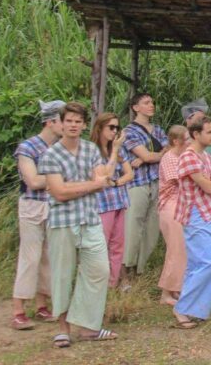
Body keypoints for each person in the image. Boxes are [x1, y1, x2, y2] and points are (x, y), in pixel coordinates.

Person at [38, 102, 118, 347]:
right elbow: (59, 192)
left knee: (99, 271)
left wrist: (81, 185)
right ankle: (62, 327)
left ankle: (88, 326)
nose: (73, 125)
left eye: (77, 121)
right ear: (61, 123)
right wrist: (91, 185)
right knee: (62, 275)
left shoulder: (91, 149)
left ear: (84, 125)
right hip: (63, 222)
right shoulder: (51, 154)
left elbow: (101, 177)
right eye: (69, 121)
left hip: (89, 219)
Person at [10, 100, 64, 330]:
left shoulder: (62, 148)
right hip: (32, 205)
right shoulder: (28, 147)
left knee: (49, 257)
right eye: (64, 121)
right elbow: (32, 181)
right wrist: (57, 180)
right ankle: (18, 309)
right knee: (30, 256)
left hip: (54, 205)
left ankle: (42, 305)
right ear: (51, 122)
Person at [172, 116, 211, 329]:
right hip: (196, 213)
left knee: (198, 263)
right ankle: (182, 307)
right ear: (196, 134)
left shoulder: (205, 155)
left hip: (210, 211)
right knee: (208, 262)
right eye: (209, 132)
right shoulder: (189, 157)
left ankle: (194, 309)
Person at [122, 93, 168, 285]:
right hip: (137, 183)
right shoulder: (129, 131)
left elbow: (168, 151)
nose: (151, 105)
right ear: (135, 107)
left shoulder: (158, 129)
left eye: (152, 102)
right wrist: (148, 156)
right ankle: (126, 268)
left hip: (156, 181)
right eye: (146, 103)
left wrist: (147, 157)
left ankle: (139, 270)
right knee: (133, 226)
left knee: (151, 228)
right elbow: (151, 155)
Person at [91, 112, 134, 290]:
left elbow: (129, 173)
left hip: (118, 200)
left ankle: (112, 284)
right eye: (111, 127)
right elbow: (104, 175)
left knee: (118, 246)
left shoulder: (119, 149)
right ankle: (98, 283)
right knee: (102, 244)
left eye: (117, 127)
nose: (115, 131)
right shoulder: (92, 150)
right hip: (101, 204)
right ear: (100, 128)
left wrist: (116, 182)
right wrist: (115, 151)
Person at [157, 126, 188, 305]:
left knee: (181, 249)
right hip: (170, 206)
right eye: (186, 139)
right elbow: (179, 179)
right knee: (176, 249)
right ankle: (166, 294)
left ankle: (176, 288)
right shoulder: (169, 157)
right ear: (176, 141)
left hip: (180, 205)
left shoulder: (182, 157)